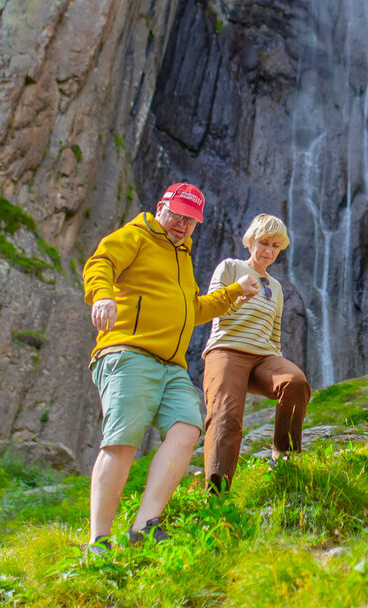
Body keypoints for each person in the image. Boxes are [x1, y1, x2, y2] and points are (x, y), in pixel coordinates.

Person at [80, 182, 255, 554]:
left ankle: (145, 525)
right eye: (177, 214)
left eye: (191, 220)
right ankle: (98, 540)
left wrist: (235, 291)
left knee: (187, 428)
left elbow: (194, 311)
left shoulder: (183, 256)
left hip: (171, 366)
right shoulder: (138, 235)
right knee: (122, 441)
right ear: (162, 206)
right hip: (129, 352)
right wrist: (104, 296)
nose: (182, 224)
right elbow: (101, 263)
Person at [200, 214, 311, 492]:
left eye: (275, 246)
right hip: (227, 350)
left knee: (295, 382)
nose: (268, 251)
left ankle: (284, 460)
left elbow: (275, 332)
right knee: (226, 416)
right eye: (263, 242)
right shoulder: (230, 268)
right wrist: (239, 295)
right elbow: (213, 309)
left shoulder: (276, 288)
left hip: (263, 357)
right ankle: (216, 494)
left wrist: (275, 362)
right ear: (250, 241)